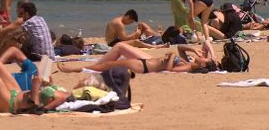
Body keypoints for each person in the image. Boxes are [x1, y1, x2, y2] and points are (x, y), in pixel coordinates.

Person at [0, 55, 70, 114]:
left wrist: (35, 86)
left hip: (11, 103)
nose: (82, 82)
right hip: (17, 92)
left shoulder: (66, 98)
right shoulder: (70, 94)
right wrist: (48, 85)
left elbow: (36, 109)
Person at [58, 40, 218, 74]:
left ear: (203, 66)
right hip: (143, 63)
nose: (203, 57)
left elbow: (170, 69)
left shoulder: (189, 67)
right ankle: (76, 69)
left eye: (205, 59)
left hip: (143, 66)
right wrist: (193, 50)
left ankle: (74, 69)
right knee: (105, 66)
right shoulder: (189, 61)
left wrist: (170, 57)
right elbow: (181, 48)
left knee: (104, 67)